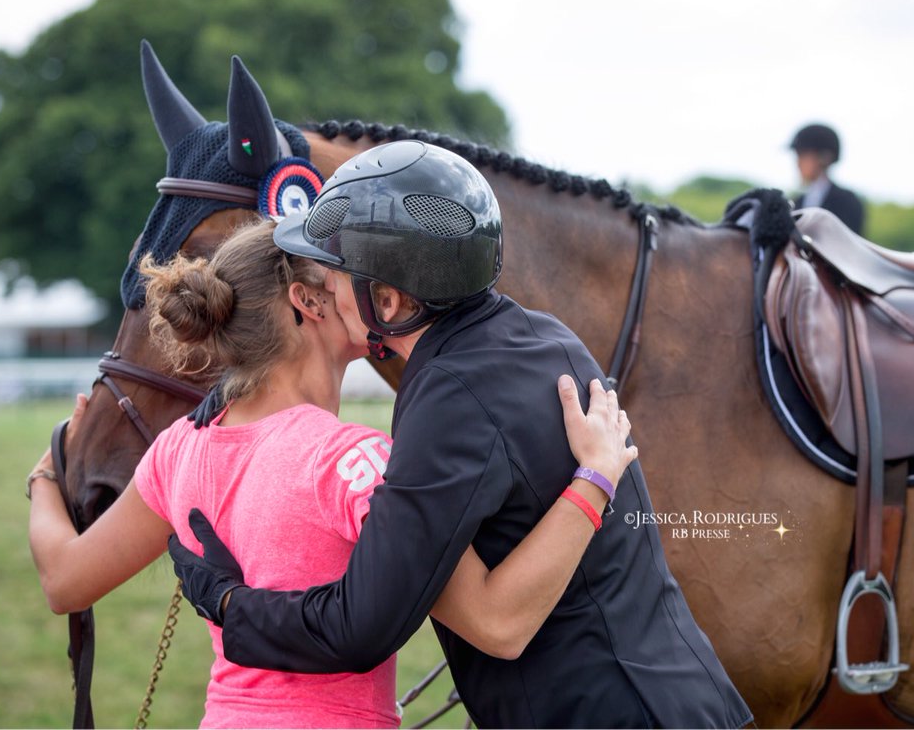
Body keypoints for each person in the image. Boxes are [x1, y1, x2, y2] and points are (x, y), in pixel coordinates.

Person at [170, 141, 754, 728]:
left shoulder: (449, 399)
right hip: (692, 698)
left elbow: (360, 625)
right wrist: (249, 378)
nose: (323, 283)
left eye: (337, 271)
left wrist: (226, 602)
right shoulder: (541, 336)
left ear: (389, 302)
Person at [27, 219, 639, 728]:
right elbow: (496, 620)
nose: (366, 287)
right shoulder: (357, 464)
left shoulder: (176, 451)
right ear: (308, 302)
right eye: (342, 274)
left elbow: (63, 580)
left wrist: (47, 474)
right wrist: (596, 476)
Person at [789, 122, 865, 235]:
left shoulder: (847, 202)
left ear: (823, 157)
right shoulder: (796, 203)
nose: (798, 163)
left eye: (802, 155)